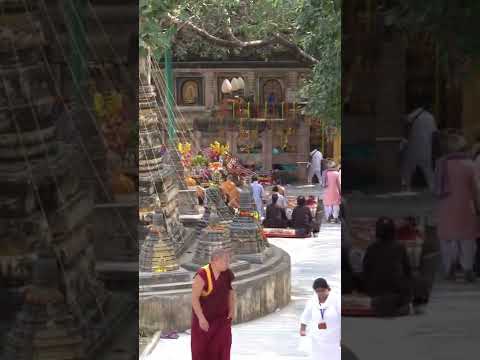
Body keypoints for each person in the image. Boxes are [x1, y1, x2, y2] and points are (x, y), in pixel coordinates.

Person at [434, 134, 478, 282]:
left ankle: (449, 267)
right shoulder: (470, 165)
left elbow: (436, 188)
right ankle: (467, 269)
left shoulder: (441, 165)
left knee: (447, 239)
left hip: (446, 207)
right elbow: (475, 189)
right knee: (468, 240)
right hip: (466, 207)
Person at [362, 217, 413, 316]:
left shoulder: (371, 248)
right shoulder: (400, 247)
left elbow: (365, 271)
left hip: (375, 290)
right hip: (396, 290)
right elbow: (408, 272)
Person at [191, 249, 236, 360]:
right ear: (215, 261)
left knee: (223, 347)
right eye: (225, 261)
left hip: (222, 319)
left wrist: (232, 309)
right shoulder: (202, 274)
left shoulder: (227, 273)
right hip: (205, 319)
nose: (228, 263)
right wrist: (201, 318)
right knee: (202, 350)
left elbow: (230, 292)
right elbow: (194, 299)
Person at [401, 100, 440, 190]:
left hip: (413, 146)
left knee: (408, 168)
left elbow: (406, 120)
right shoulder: (431, 117)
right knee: (428, 170)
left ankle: (406, 187)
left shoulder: (415, 114)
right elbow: (434, 134)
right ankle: (432, 188)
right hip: (426, 148)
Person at [300, 278, 341, 360]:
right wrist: (302, 329)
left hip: (333, 337)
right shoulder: (312, 300)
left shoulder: (336, 300)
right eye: (317, 291)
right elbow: (306, 314)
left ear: (328, 289)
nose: (320, 293)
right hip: (317, 336)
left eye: (322, 290)